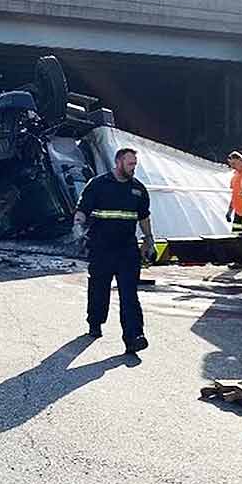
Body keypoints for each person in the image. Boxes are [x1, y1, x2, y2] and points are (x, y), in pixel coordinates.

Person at [72, 147, 155, 355]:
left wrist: (149, 240)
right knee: (99, 288)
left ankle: (134, 337)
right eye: (130, 164)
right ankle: (95, 322)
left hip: (127, 249)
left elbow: (143, 217)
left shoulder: (138, 189)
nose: (133, 168)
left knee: (129, 294)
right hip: (101, 247)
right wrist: (77, 226)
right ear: (118, 162)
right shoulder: (98, 184)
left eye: (135, 164)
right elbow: (82, 209)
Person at [225, 151, 242, 227]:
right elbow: (234, 195)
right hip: (237, 214)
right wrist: (229, 211)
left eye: (233, 164)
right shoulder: (235, 175)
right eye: (230, 165)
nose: (232, 167)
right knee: (236, 236)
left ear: (240, 160)